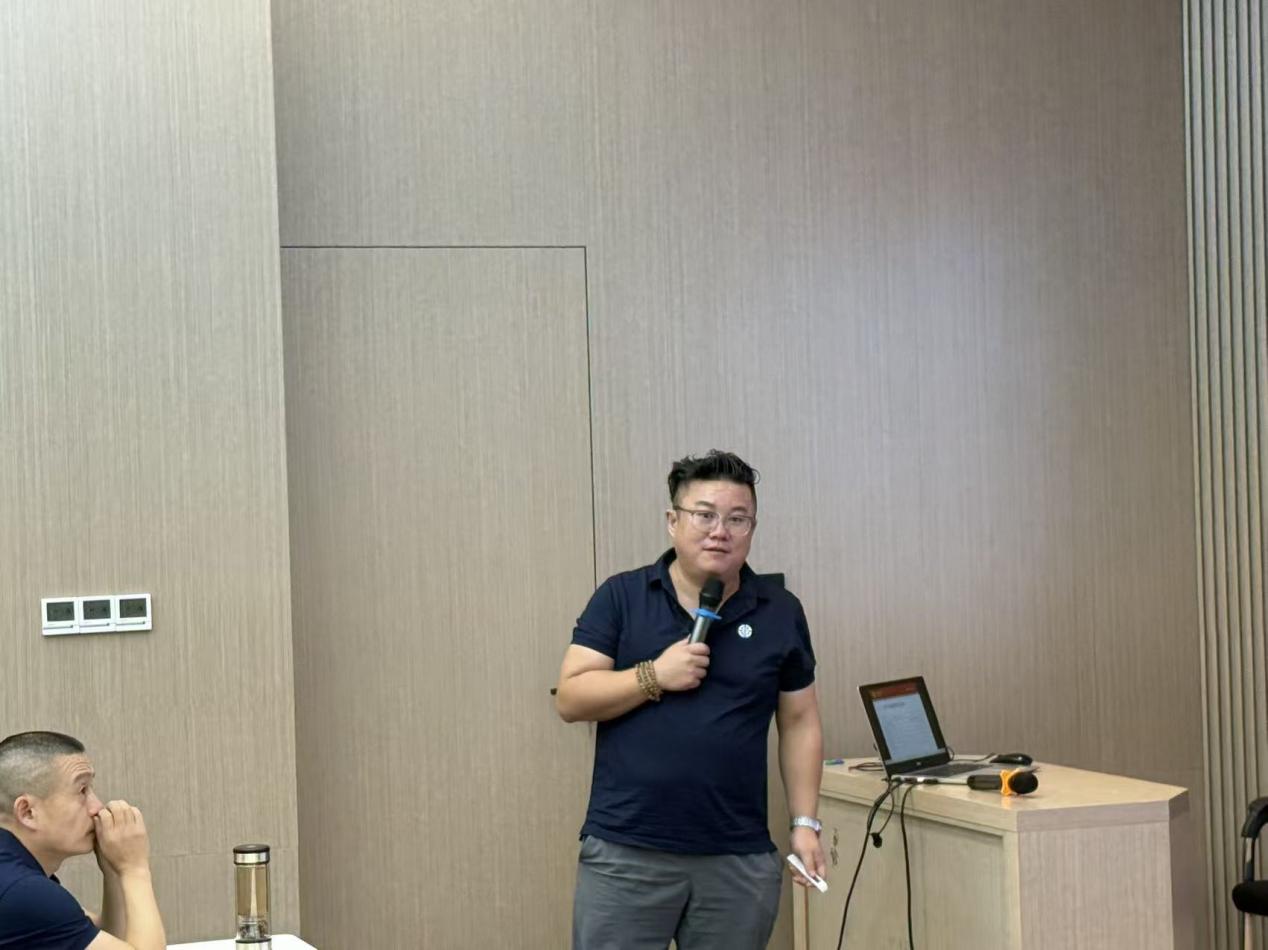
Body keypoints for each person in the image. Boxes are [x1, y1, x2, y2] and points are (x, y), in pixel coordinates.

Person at [556, 450, 826, 949]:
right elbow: (571, 698)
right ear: (672, 521)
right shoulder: (622, 596)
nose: (720, 531)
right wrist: (653, 675)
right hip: (627, 851)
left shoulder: (780, 611)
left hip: (737, 857)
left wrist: (804, 824)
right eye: (704, 515)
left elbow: (800, 721)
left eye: (737, 519)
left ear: (752, 528)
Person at [0, 731, 166, 950]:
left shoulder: (13, 872)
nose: (97, 807)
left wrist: (113, 871)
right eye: (82, 790)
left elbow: (99, 940)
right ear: (28, 812)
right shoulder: (25, 892)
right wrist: (135, 869)